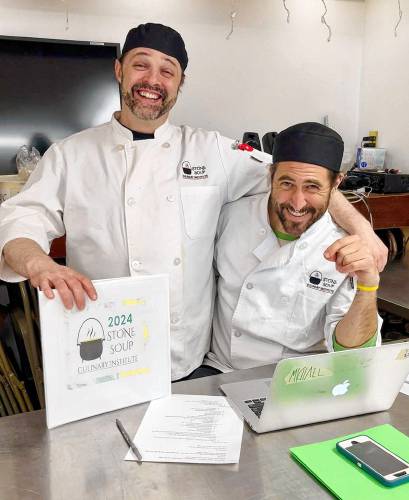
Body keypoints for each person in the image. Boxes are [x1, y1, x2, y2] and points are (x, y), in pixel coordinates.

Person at [0, 24, 385, 380]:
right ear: (119, 70)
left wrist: (361, 229)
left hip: (187, 361)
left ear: (181, 83)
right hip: (102, 349)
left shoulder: (212, 150)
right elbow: (21, 220)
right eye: (141, 65)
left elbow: (297, 178)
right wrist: (39, 263)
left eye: (168, 71)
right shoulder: (71, 154)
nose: (153, 80)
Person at [206, 122, 382, 372]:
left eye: (312, 187)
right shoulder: (230, 218)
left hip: (297, 380)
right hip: (220, 370)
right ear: (270, 176)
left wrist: (367, 286)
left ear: (336, 184)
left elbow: (352, 355)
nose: (297, 203)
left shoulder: (343, 246)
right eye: (287, 184)